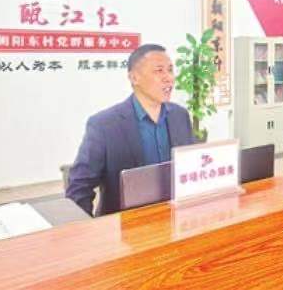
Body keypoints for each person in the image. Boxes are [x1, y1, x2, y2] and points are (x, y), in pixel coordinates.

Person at [66, 44, 194, 216]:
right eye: (159, 71)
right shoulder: (104, 125)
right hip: (124, 225)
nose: (169, 78)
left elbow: (190, 167)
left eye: (170, 70)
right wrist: (87, 229)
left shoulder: (180, 116)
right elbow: (79, 187)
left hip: (175, 218)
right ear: (134, 78)